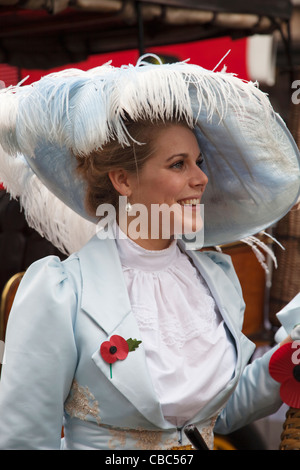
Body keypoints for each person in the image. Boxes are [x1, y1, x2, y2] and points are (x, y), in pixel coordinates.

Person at [0, 56, 299, 450]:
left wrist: (289, 358)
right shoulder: (61, 292)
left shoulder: (215, 278)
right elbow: (25, 441)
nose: (201, 178)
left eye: (199, 161)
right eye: (178, 164)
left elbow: (215, 414)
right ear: (123, 179)